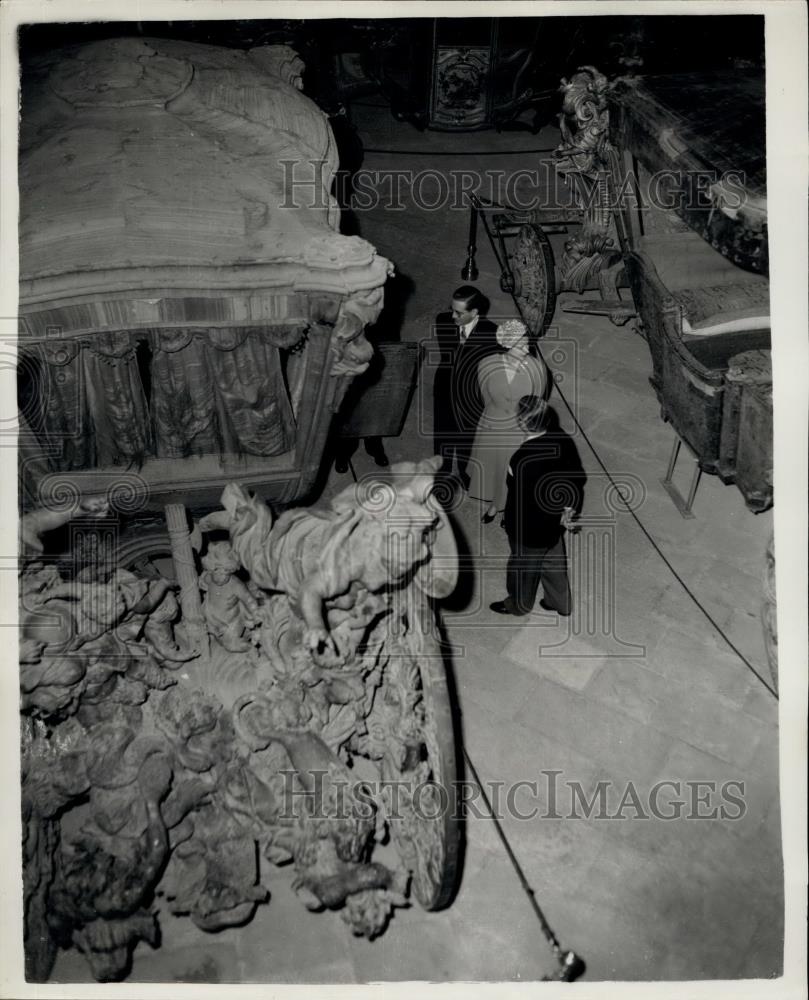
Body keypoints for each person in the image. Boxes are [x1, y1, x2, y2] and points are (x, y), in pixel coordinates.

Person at [490, 396, 586, 617]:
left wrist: (510, 524)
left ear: (522, 423)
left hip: (528, 530)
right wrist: (568, 509)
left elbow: (516, 497)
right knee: (554, 564)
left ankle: (518, 605)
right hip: (554, 524)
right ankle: (560, 604)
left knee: (522, 570)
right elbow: (576, 476)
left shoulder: (521, 459)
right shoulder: (561, 437)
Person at [468, 319, 551, 523]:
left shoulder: (537, 369)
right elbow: (485, 395)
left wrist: (529, 432)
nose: (526, 348)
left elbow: (536, 402)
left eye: (527, 343)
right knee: (493, 468)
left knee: (513, 474)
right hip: (492, 424)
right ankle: (494, 505)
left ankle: (510, 508)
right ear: (506, 345)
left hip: (519, 429)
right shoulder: (487, 364)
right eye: (520, 345)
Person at [433, 285, 499, 491]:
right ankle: (441, 473)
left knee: (465, 435)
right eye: (452, 309)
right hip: (445, 388)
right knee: (442, 433)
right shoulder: (442, 320)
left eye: (459, 313)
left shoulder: (492, 333)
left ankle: (462, 470)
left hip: (471, 395)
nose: (452, 316)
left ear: (474, 313)